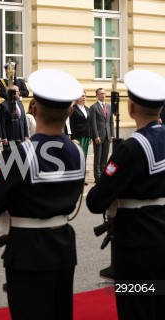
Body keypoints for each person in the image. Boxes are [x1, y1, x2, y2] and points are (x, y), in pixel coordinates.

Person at [0, 69, 85, 320]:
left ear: (33, 109)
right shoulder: (77, 151)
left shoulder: (20, 155)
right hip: (64, 247)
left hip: (28, 251)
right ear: (70, 112)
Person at [86, 69, 165, 320]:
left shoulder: (131, 147)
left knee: (136, 308)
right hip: (161, 238)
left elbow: (95, 200)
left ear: (130, 108)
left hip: (136, 249)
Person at [90, 88, 114, 183]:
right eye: (101, 94)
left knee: (104, 157)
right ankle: (97, 177)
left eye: (104, 93)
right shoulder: (93, 107)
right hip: (99, 136)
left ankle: (103, 176)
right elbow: (93, 123)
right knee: (97, 157)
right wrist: (96, 136)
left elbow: (111, 122)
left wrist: (112, 134)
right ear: (97, 95)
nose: (103, 95)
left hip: (107, 136)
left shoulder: (109, 106)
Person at [70, 91, 91, 157]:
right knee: (78, 154)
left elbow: (89, 123)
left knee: (85, 154)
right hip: (78, 136)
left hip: (86, 136)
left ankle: (83, 167)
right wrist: (73, 137)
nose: (84, 97)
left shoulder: (87, 109)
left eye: (85, 96)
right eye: (82, 96)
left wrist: (90, 136)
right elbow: (71, 124)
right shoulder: (73, 109)